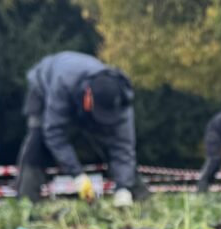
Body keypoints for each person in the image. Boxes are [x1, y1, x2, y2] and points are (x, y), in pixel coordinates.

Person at [16, 52, 146, 207]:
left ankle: (137, 198)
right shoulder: (63, 83)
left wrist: (123, 187)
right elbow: (54, 134)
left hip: (78, 96)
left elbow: (123, 147)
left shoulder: (121, 102)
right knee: (37, 141)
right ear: (88, 96)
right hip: (44, 88)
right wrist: (77, 175)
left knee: (114, 145)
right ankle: (26, 203)